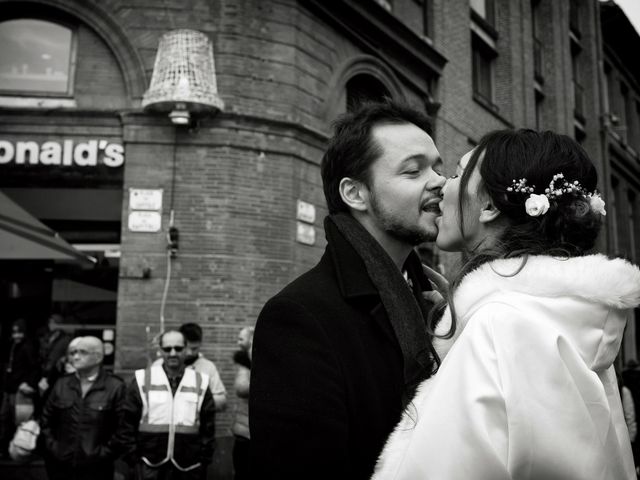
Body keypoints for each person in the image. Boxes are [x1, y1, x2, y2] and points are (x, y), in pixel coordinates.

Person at [374, 129, 640, 479]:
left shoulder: (500, 327)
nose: (442, 185)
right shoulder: (562, 319)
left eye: (456, 174)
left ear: (488, 206)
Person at [250, 100, 446, 479]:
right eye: (413, 170)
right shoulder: (300, 316)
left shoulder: (435, 300)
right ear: (356, 194)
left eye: (437, 166)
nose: (439, 180)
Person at [120, 330, 216, 480]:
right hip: (148, 464)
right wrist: (133, 460)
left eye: (178, 348)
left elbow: (208, 426)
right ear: (160, 351)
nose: (173, 353)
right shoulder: (142, 379)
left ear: (186, 350)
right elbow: (127, 422)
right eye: (167, 349)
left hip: (189, 465)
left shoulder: (200, 381)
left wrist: (203, 460)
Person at [40, 336, 126, 480]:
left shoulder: (115, 387)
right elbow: (45, 420)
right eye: (73, 353)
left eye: (82, 352)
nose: (76, 357)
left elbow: (123, 428)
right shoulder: (62, 384)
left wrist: (104, 453)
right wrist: (55, 448)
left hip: (97, 468)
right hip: (61, 466)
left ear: (98, 357)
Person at [153, 323, 227, 412]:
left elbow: (222, 401)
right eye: (187, 348)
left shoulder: (208, 367)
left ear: (200, 344)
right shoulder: (158, 366)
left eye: (194, 348)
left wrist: (192, 400)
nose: (190, 353)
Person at [0, 318, 39, 457]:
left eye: (19, 333)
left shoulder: (27, 347)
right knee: (5, 419)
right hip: (10, 388)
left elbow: (34, 367)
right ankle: (6, 449)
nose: (16, 336)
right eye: (14, 333)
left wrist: (28, 383)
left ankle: (19, 450)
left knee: (20, 421)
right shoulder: (12, 346)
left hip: (20, 390)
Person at [231, 326, 253, 480]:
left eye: (241, 339)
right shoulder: (245, 362)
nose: (238, 342)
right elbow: (241, 388)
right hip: (245, 432)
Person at [38, 313, 71, 398]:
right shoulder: (47, 337)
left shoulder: (65, 339)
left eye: (53, 322)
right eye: (49, 322)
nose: (50, 324)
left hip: (56, 373)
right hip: (44, 372)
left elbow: (60, 355)